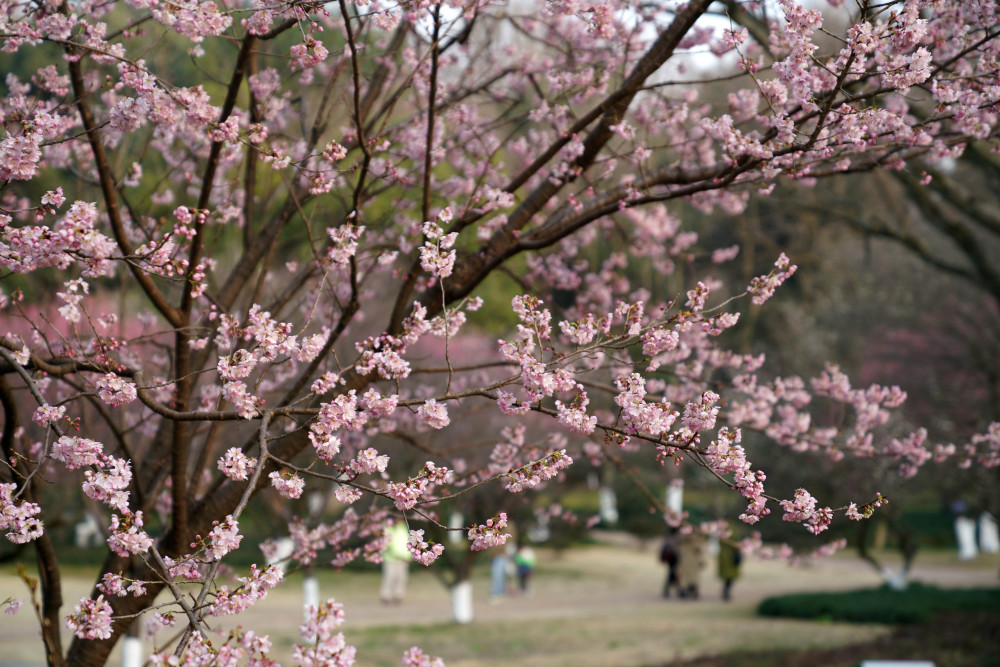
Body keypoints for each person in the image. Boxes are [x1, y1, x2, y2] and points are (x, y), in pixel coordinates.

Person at [380, 521, 411, 604]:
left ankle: (399, 595)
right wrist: (396, 553)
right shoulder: (388, 529)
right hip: (390, 558)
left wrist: (407, 556)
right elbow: (387, 544)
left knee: (401, 577)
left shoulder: (403, 528)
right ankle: (386, 595)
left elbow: (406, 543)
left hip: (402, 558)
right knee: (390, 577)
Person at [675, 531, 707, 599]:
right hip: (686, 561)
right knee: (686, 577)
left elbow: (700, 549)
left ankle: (691, 591)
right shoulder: (684, 538)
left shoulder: (697, 539)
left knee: (692, 577)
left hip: (692, 561)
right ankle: (685, 591)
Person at [659, 529, 681, 598]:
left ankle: (668, 590)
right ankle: (678, 590)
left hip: (672, 558)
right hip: (674, 558)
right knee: (674, 575)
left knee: (672, 574)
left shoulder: (669, 536)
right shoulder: (675, 537)